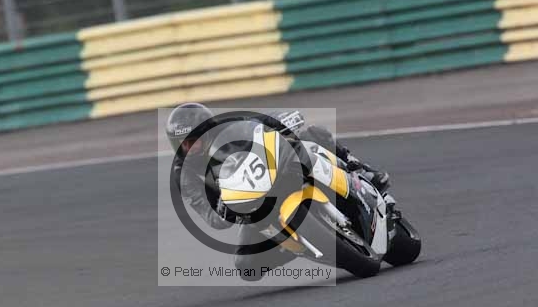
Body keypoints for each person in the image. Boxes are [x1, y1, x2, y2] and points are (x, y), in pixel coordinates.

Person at [166, 103, 389, 281]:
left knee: (311, 134)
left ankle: (359, 167)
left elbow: (264, 121)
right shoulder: (184, 175)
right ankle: (295, 247)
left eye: (194, 141)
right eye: (184, 144)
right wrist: (222, 212)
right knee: (246, 266)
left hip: (276, 170)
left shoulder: (231, 126)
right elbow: (209, 216)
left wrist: (284, 120)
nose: (190, 148)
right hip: (250, 207)